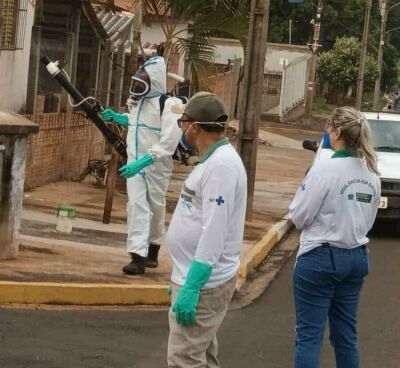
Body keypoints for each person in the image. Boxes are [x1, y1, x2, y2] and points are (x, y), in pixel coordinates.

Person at [289, 106, 381, 368]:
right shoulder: (372, 174)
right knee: (345, 337)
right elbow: (368, 221)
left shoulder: (324, 169)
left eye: (329, 128)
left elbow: (298, 216)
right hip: (356, 258)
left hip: (319, 258)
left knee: (308, 337)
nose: (327, 133)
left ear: (337, 132)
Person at [165, 92, 247, 367]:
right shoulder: (213, 161)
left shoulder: (221, 166)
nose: (181, 130)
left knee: (183, 359)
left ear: (194, 127)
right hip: (193, 277)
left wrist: (192, 285)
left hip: (204, 284)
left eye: (182, 123)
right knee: (202, 357)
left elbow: (214, 231)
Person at [101, 56, 182, 275]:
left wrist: (144, 162)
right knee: (137, 205)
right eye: (137, 79)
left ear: (155, 80)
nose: (137, 84)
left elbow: (168, 141)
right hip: (134, 164)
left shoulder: (169, 105)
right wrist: (119, 118)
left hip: (156, 167)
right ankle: (137, 256)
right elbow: (135, 122)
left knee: (155, 206)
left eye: (142, 80)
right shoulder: (137, 102)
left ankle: (153, 250)